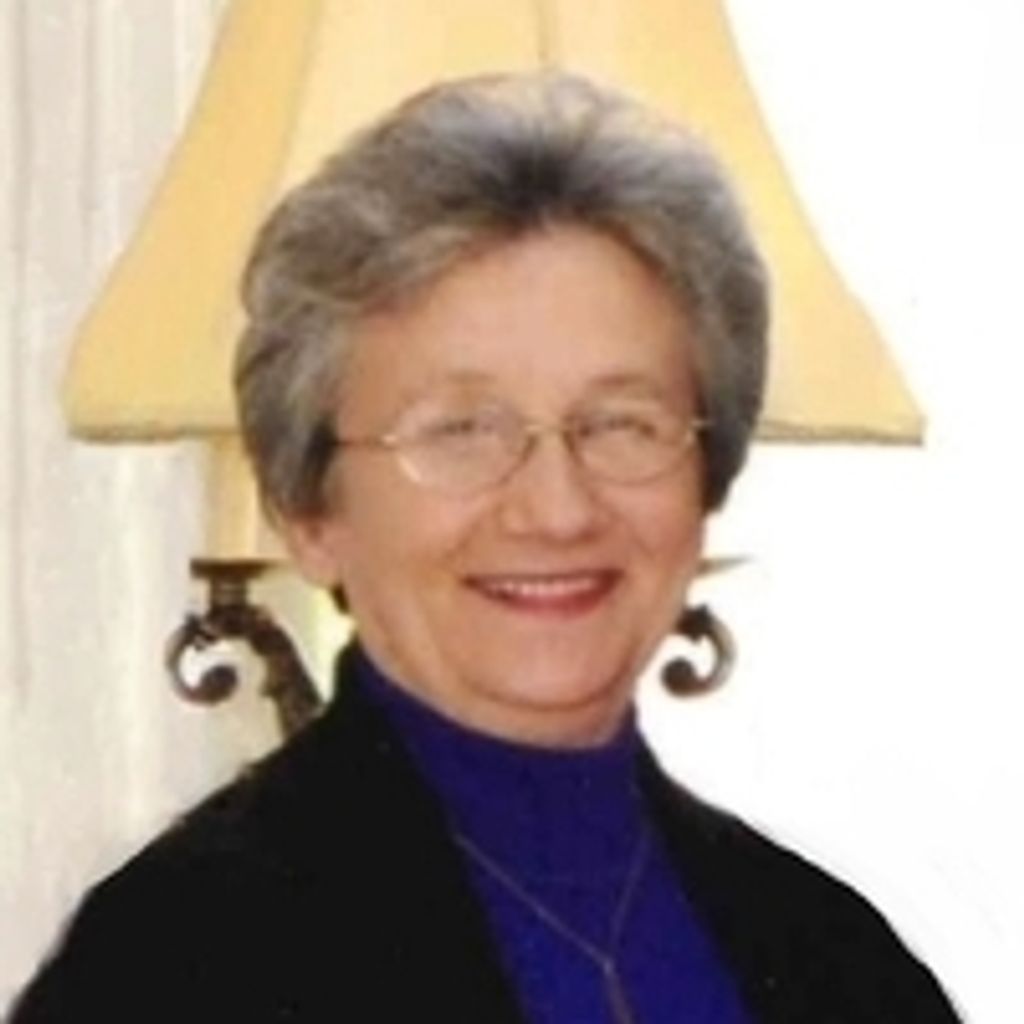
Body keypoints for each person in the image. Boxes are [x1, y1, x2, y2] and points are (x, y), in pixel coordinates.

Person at [9, 72, 959, 1023]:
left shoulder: (843, 963)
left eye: (622, 423)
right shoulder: (173, 963)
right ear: (308, 512)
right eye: (461, 430)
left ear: (708, 478)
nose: (557, 509)